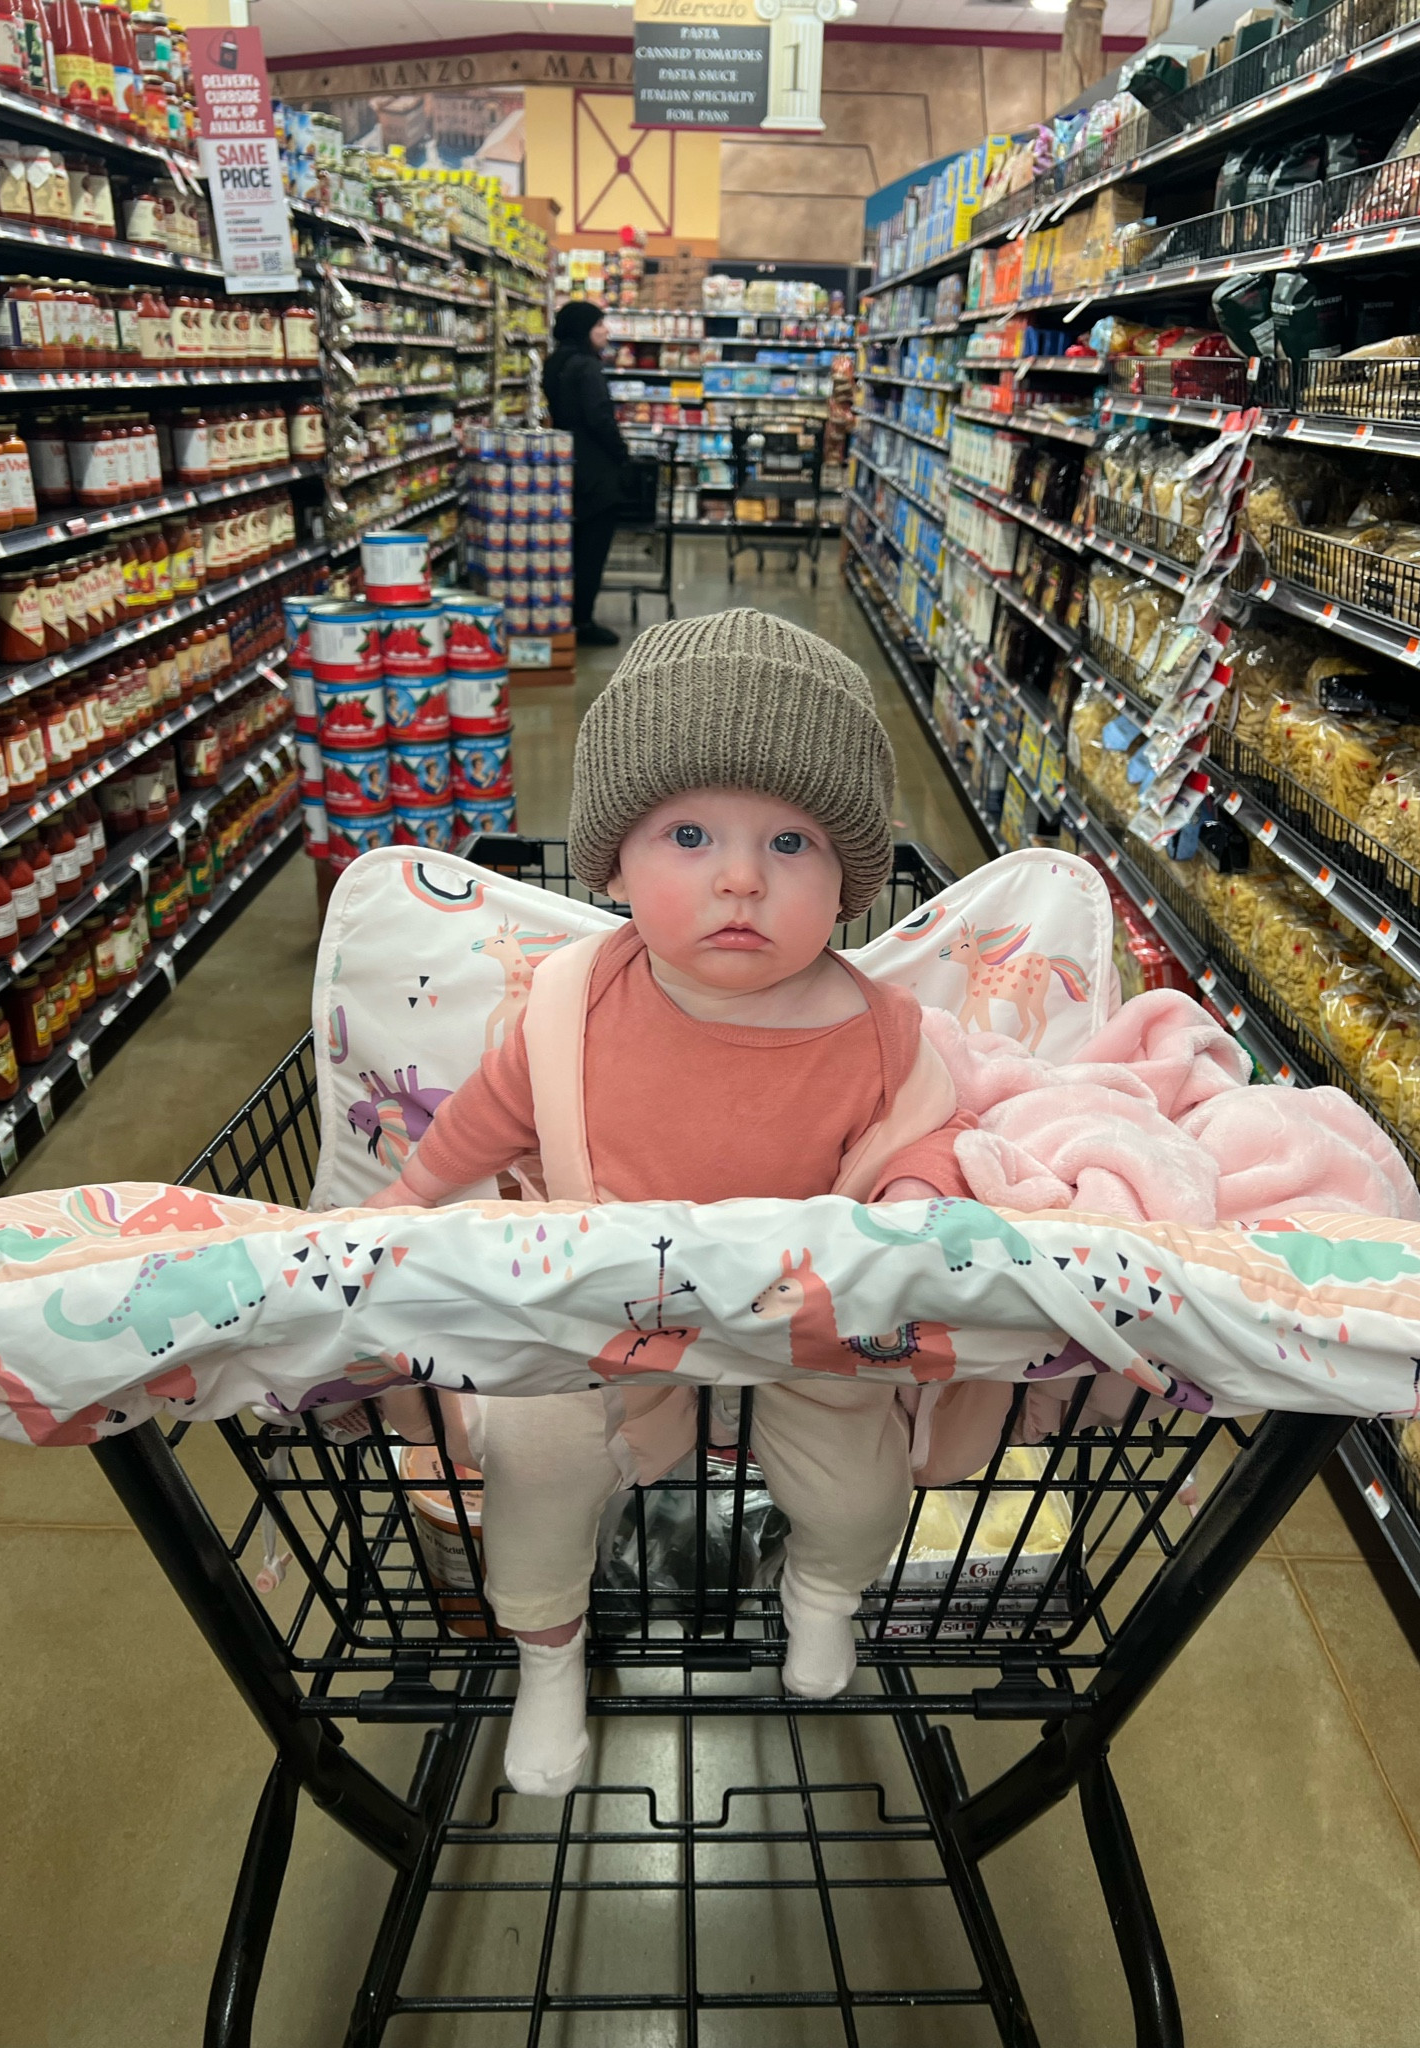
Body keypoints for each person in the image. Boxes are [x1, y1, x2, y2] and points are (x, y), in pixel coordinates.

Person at [365, 609, 971, 1799]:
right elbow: (498, 1109)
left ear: (849, 876)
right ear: (613, 857)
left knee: (859, 1482)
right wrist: (406, 1200)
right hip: (607, 1308)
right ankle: (548, 1652)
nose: (740, 877)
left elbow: (924, 1143)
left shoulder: (879, 1031)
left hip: (803, 1318)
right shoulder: (575, 1002)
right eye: (688, 832)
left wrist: (915, 1208)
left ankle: (824, 1589)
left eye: (791, 841)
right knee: (531, 1454)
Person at [543, 299, 630, 648]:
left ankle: (565, 613)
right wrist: (622, 454)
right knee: (593, 548)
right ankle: (583, 620)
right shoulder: (587, 367)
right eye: (599, 326)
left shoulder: (555, 363)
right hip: (595, 471)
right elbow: (599, 418)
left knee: (571, 547)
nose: (606, 331)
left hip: (566, 466)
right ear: (584, 330)